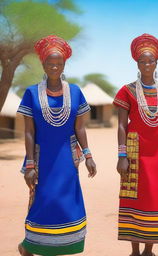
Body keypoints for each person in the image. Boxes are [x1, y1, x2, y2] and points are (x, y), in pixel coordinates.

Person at [17, 35, 97, 256]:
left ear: (64, 65)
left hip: (67, 159)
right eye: (50, 63)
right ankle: (28, 246)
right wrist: (31, 164)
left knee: (65, 205)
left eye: (59, 63)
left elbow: (79, 128)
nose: (55, 67)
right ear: (43, 64)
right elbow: (29, 131)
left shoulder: (75, 92)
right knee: (42, 203)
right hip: (42, 158)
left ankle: (62, 248)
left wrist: (88, 155)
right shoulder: (32, 93)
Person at [113, 33, 158, 256]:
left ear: (156, 63)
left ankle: (148, 251)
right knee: (135, 197)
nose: (147, 64)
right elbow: (122, 125)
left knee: (155, 198)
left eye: (150, 60)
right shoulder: (127, 90)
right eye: (143, 61)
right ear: (137, 64)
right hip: (134, 151)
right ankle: (134, 251)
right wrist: (122, 156)